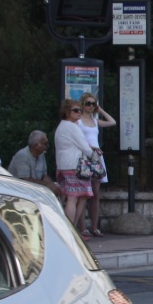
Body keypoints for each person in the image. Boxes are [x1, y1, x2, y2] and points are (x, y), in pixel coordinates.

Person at [54, 98, 102, 238]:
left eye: (80, 110)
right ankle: (71, 230)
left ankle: (71, 229)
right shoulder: (72, 127)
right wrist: (94, 156)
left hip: (64, 165)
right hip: (75, 166)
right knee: (74, 197)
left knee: (78, 197)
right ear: (67, 112)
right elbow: (85, 148)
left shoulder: (62, 126)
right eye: (75, 110)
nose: (79, 112)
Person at [77, 92, 116, 236]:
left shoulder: (95, 120)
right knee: (83, 193)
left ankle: (94, 227)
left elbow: (112, 122)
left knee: (95, 193)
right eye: (88, 103)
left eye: (93, 103)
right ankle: (82, 227)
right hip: (85, 156)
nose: (90, 106)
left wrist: (100, 110)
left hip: (97, 157)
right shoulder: (78, 120)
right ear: (82, 104)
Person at [8, 130, 63, 196]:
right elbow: (25, 180)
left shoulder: (41, 154)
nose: (47, 146)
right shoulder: (22, 156)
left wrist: (53, 186)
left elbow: (44, 176)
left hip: (34, 189)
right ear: (37, 146)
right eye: (45, 144)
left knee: (58, 188)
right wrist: (48, 185)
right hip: (18, 191)